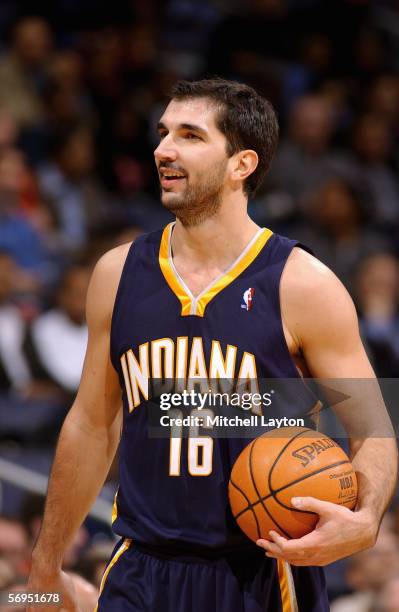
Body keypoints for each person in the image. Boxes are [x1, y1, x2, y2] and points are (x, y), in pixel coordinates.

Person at [28, 78, 397, 612]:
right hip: (141, 568)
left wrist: (365, 520)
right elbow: (90, 424)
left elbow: (373, 429)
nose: (163, 149)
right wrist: (46, 563)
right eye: (162, 133)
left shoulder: (302, 284)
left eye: (189, 135)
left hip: (264, 571)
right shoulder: (117, 272)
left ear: (241, 165)